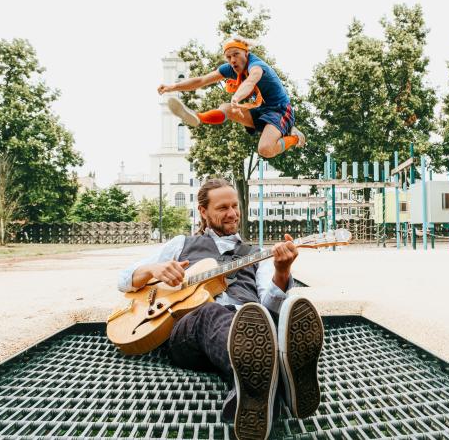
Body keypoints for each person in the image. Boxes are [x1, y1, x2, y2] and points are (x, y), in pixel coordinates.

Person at [118, 178, 324, 440]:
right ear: (203, 212)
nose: (232, 213)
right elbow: (123, 279)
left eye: (235, 206)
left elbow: (269, 302)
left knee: (264, 315)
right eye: (223, 207)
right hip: (189, 333)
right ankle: (283, 371)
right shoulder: (181, 244)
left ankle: (253, 389)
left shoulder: (255, 253)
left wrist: (282, 272)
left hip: (248, 325)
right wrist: (152, 269)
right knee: (212, 311)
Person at [157, 36, 306, 159]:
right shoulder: (229, 68)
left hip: (280, 111)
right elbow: (201, 80)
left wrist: (237, 97)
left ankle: (295, 137)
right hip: (260, 110)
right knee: (226, 108)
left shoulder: (257, 66)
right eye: (229, 57)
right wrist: (172, 87)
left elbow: (250, 81)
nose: (232, 60)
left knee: (265, 149)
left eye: (236, 54)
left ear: (246, 53)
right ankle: (198, 117)